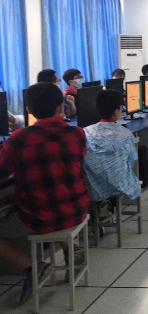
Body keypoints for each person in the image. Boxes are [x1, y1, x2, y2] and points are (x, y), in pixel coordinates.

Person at [0, 82, 89, 304]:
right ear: (60, 106)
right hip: (76, 209)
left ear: (28, 110)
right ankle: (71, 248)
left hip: (40, 217)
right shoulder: (78, 134)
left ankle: (33, 267)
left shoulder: (18, 139)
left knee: (37, 204)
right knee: (53, 196)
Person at [83, 90, 140, 202]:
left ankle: (105, 206)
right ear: (116, 112)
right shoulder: (125, 134)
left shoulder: (86, 132)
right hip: (121, 183)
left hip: (95, 187)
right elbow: (132, 160)